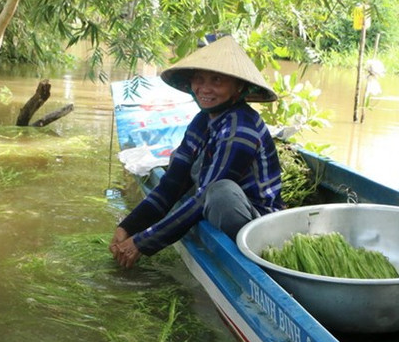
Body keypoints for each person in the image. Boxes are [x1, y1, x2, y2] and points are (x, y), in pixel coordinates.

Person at [110, 35, 283, 268]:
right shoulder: (203, 121)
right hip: (211, 205)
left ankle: (248, 260)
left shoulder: (242, 128)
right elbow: (171, 184)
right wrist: (127, 227)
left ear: (238, 87)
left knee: (220, 192)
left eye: (217, 80)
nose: (205, 89)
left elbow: (205, 197)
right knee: (178, 165)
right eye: (199, 79)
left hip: (255, 224)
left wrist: (142, 243)